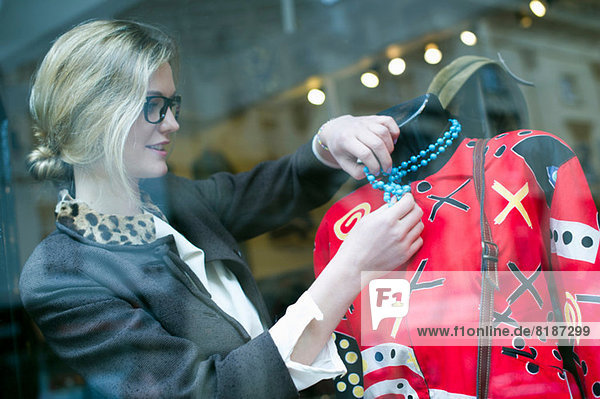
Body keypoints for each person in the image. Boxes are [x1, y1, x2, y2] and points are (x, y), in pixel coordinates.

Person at [18, 19, 424, 398]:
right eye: (153, 105)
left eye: (171, 105)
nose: (172, 123)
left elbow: (276, 188)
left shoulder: (169, 200)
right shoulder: (60, 276)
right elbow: (207, 391)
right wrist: (350, 270)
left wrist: (328, 140)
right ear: (95, 115)